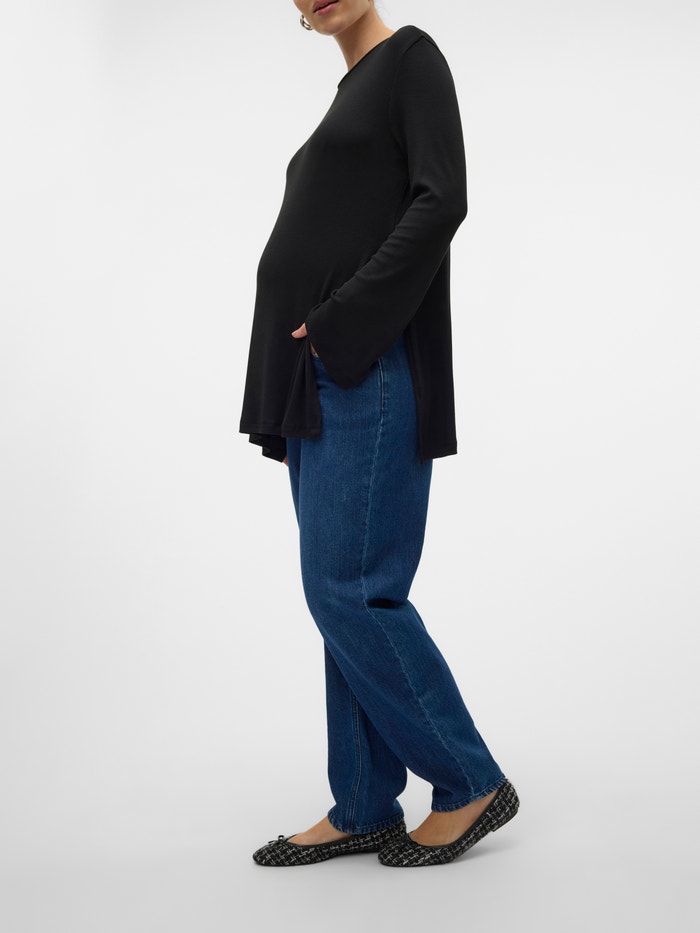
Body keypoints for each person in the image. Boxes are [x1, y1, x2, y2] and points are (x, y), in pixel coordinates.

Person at [239, 0, 519, 868]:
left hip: (365, 366)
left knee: (352, 589)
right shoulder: (351, 91)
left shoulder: (411, 60)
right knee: (338, 595)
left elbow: (443, 200)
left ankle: (469, 778)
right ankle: (363, 801)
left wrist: (339, 323)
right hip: (318, 376)